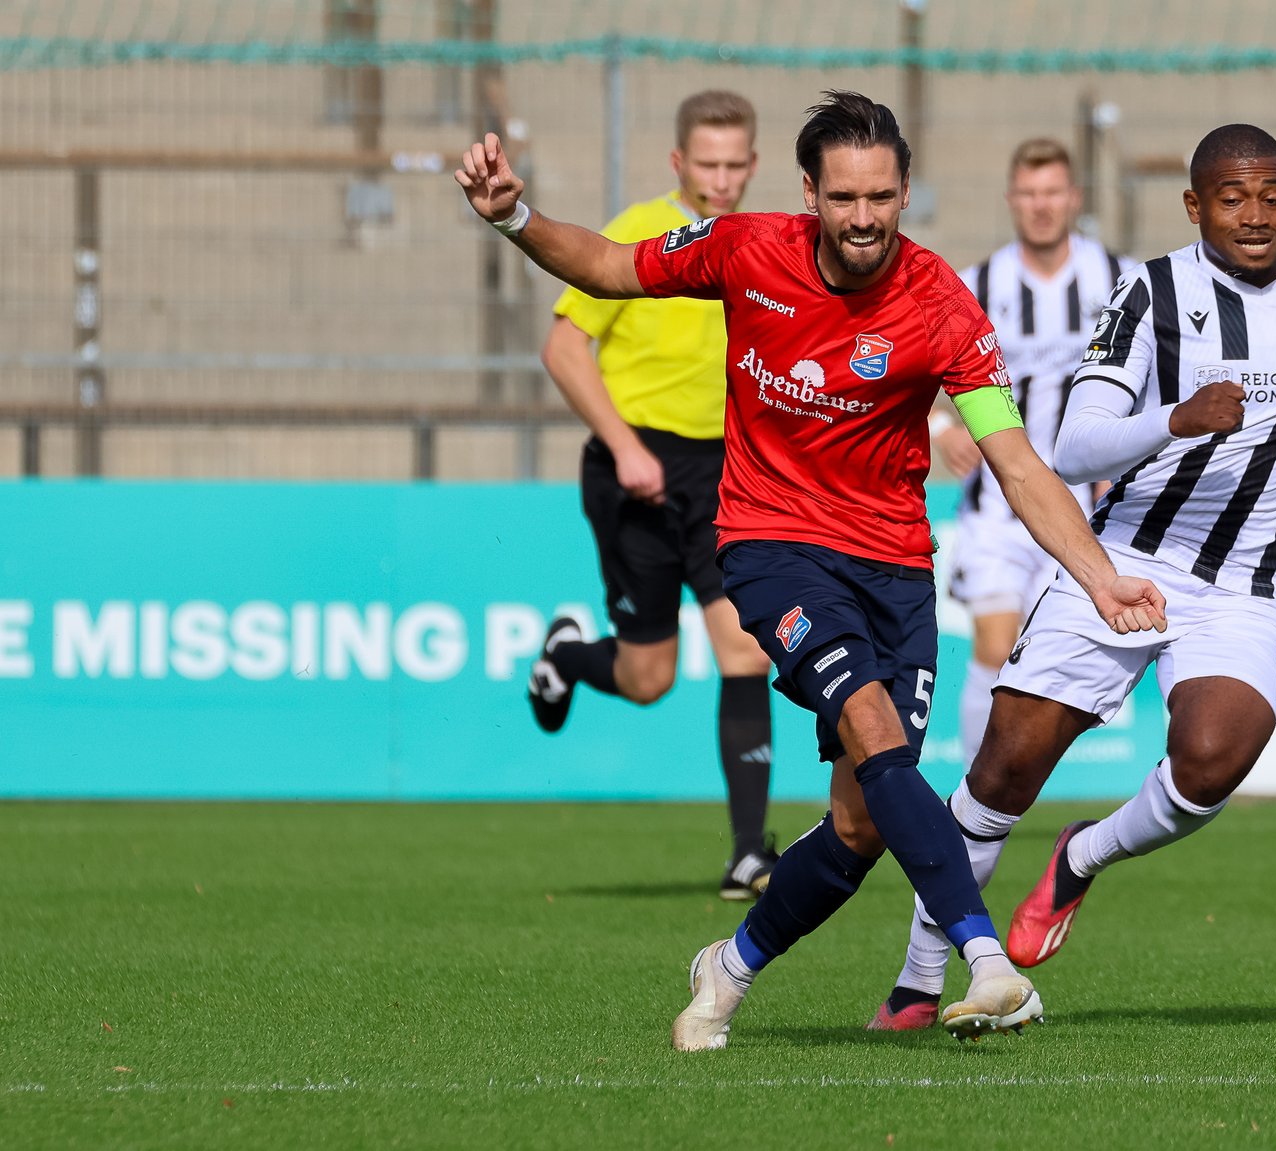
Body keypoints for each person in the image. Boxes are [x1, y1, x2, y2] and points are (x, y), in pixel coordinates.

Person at [455, 90, 1168, 1050]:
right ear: (810, 192)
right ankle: (986, 958)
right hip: (770, 544)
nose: (864, 216)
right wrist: (514, 215)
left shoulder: (941, 305)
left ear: (905, 189)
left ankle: (731, 964)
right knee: (872, 729)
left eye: (881, 195)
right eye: (844, 197)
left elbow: (1016, 461)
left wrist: (1098, 575)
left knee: (860, 824)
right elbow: (608, 266)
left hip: (894, 568)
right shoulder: (746, 249)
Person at [870, 123, 1276, 1028]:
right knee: (1003, 772)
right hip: (1125, 561)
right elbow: (1073, 447)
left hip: (1246, 583)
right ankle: (920, 979)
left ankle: (1080, 857)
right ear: (1195, 206)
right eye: (1232, 197)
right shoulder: (1150, 292)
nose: (1255, 214)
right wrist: (1177, 419)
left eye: (1272, 195)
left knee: (1208, 764)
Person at [525, 89, 781, 902]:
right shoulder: (640, 232)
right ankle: (567, 652)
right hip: (632, 469)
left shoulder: (762, 243)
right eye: (706, 163)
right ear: (679, 163)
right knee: (648, 678)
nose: (722, 178)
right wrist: (627, 445)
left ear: (754, 163)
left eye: (736, 163)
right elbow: (564, 350)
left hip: (725, 474)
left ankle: (750, 853)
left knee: (744, 647)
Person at [935, 138, 1130, 777]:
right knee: (993, 641)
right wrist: (942, 426)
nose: (1041, 206)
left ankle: (1003, 788)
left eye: (1053, 193)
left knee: (1044, 662)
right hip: (996, 502)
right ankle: (968, 802)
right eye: (1029, 193)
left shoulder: (1119, 281)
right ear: (1012, 201)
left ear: (1073, 199)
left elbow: (1153, 382)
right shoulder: (977, 285)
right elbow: (910, 367)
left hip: (1077, 505)